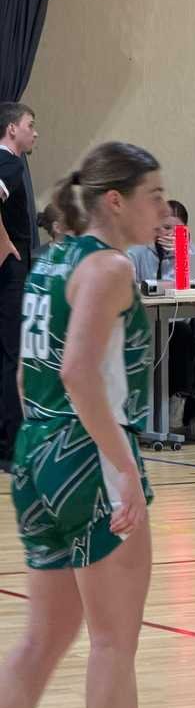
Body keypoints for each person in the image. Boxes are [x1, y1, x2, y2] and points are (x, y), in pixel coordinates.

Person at [0, 141, 195, 708]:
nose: (164, 211)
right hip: (87, 453)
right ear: (114, 201)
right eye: (154, 196)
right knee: (114, 640)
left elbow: (31, 373)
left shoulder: (50, 259)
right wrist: (122, 471)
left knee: (45, 637)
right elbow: (80, 374)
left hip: (34, 453)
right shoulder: (110, 267)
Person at [129, 199, 195, 441]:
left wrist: (182, 254)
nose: (168, 234)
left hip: (182, 322)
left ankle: (194, 415)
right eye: (164, 227)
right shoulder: (137, 249)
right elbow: (128, 289)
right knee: (182, 337)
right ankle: (177, 403)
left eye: (176, 230)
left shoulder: (189, 250)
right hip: (146, 325)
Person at [0, 102, 38, 471]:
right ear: (12, 128)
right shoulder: (10, 163)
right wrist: (4, 242)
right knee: (12, 357)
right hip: (10, 273)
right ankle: (11, 448)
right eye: (30, 124)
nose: (35, 132)